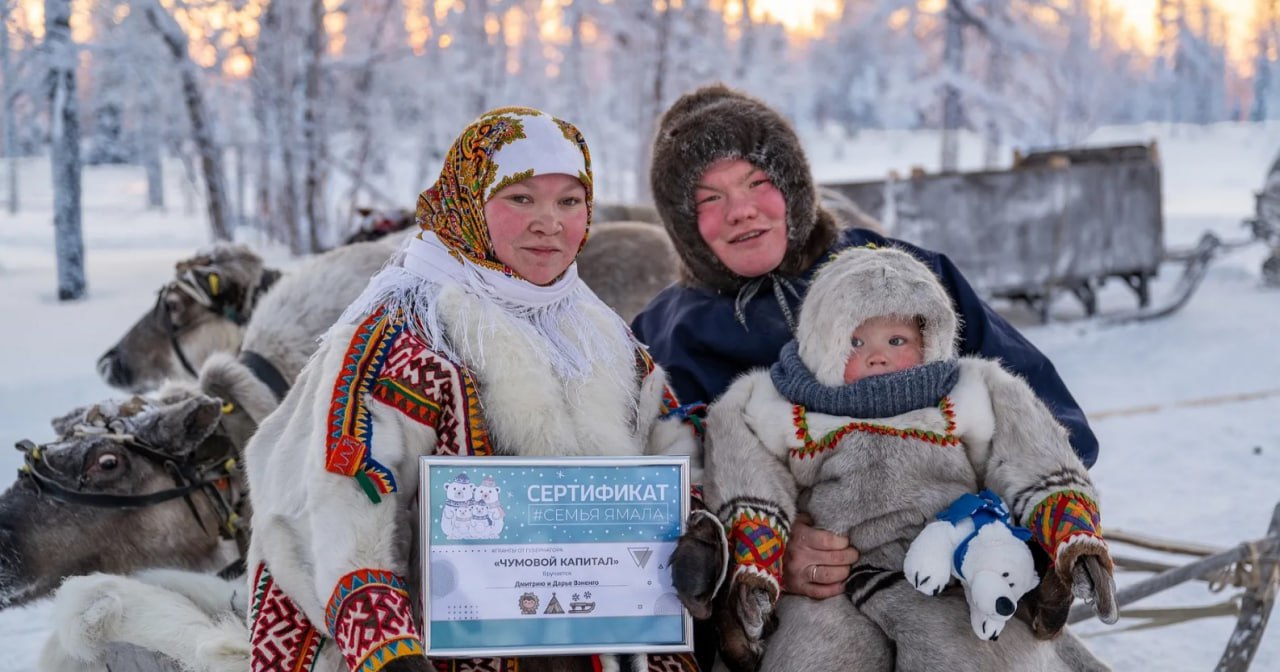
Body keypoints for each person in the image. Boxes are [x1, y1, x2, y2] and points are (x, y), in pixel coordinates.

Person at [243, 108, 700, 672]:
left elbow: (674, 459)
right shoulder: (400, 338)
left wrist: (698, 536)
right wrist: (390, 655)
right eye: (520, 198)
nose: (549, 223)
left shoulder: (608, 344)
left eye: (569, 201)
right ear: (468, 203)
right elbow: (337, 509)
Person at [631, 84, 1101, 615]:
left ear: (794, 186)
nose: (740, 211)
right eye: (709, 199)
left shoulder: (900, 274)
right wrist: (759, 551)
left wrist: (989, 525)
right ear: (682, 223)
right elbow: (664, 498)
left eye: (757, 182)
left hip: (958, 575)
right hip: (797, 609)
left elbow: (1051, 420)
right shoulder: (665, 334)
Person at [684, 244, 1116, 671]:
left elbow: (1030, 455)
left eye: (897, 339)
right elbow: (751, 476)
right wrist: (760, 558)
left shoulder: (971, 391)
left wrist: (1069, 534)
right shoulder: (774, 405)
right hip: (830, 581)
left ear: (930, 337)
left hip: (953, 574)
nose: (878, 355)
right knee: (814, 653)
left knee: (970, 652)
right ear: (820, 341)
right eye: (854, 341)